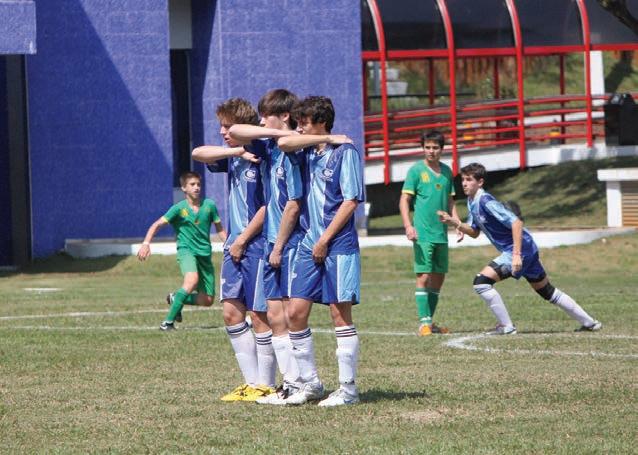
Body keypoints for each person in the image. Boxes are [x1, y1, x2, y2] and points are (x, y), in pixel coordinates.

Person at [438, 162, 602, 334]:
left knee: (481, 283)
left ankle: (506, 327)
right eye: (463, 180)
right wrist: (455, 223)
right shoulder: (472, 201)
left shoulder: (486, 201)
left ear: (480, 182)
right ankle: (590, 323)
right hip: (527, 248)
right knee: (546, 290)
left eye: (469, 180)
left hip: (518, 250)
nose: (464, 183)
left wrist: (516, 255)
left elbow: (516, 223)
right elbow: (474, 232)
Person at [277, 96, 364, 407]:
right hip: (309, 243)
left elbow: (351, 201)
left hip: (337, 244)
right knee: (295, 313)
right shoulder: (307, 152)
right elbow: (284, 142)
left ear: (322, 122)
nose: (299, 127)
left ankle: (348, 390)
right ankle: (311, 384)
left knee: (339, 314)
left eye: (305, 122)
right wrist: (325, 137)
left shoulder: (345, 153)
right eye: (298, 121)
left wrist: (325, 239)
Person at [191, 98, 275, 402]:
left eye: (228, 127)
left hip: (257, 245)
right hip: (234, 247)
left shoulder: (263, 155)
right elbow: (197, 153)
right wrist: (235, 151)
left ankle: (266, 384)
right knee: (230, 313)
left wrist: (242, 239)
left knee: (259, 314)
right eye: (221, 127)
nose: (222, 132)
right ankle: (251, 383)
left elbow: (269, 206)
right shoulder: (235, 156)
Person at [227, 89, 303, 404]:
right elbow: (235, 132)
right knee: (274, 315)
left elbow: (291, 204)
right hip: (272, 242)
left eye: (266, 116)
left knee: (291, 315)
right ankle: (289, 384)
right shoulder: (271, 145)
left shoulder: (292, 149)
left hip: (288, 242)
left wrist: (275, 245)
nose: (260, 122)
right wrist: (273, 133)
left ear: (284, 115)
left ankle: (299, 383)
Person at [137, 171, 227, 331]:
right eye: (192, 184)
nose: (196, 187)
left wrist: (230, 245)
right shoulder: (178, 209)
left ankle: (175, 298)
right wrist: (146, 243)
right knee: (191, 280)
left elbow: (220, 229)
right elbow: (157, 224)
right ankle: (167, 323)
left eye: (198, 184)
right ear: (184, 188)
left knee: (207, 300)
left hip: (205, 254)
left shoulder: (209, 205)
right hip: (187, 252)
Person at [399, 130, 461, 337]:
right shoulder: (416, 171)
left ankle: (430, 322)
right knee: (423, 276)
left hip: (441, 234)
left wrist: (457, 224)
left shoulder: (447, 171)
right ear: (423, 148)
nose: (431, 151)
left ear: (442, 149)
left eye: (435, 147)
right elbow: (404, 200)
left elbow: (451, 201)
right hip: (422, 234)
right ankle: (424, 323)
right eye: (427, 147)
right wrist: (408, 226)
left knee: (438, 278)